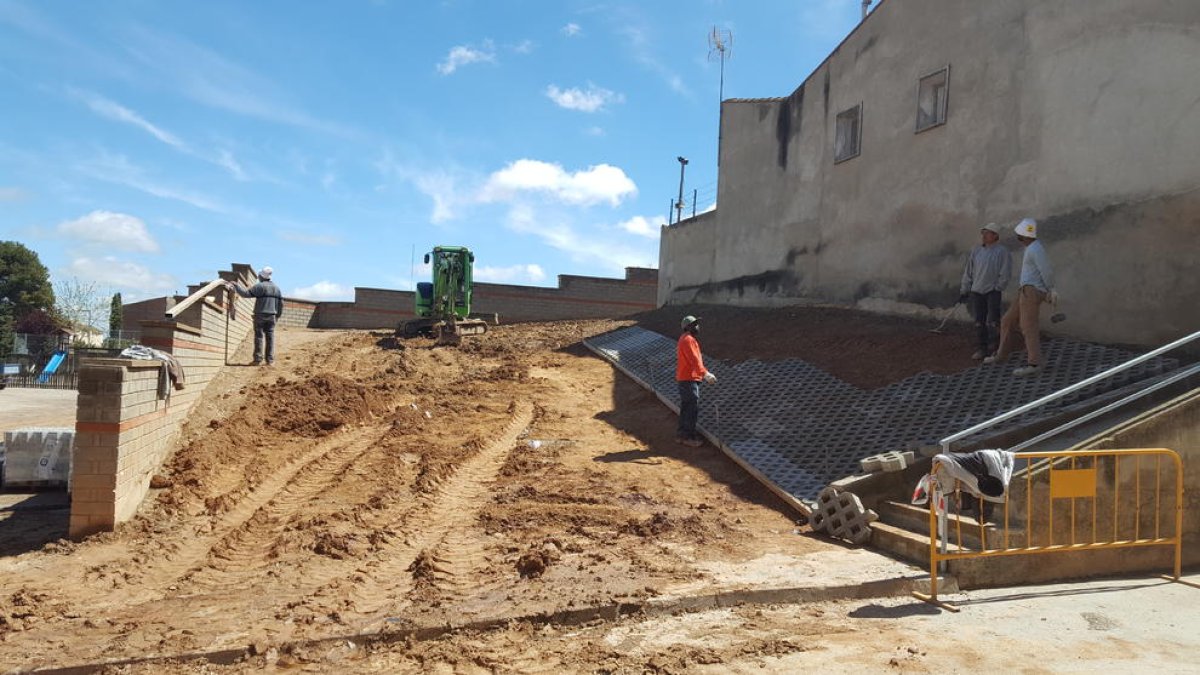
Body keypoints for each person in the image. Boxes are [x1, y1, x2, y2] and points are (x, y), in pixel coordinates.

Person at [985, 218, 1057, 376]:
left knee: (1028, 326)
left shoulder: (1035, 249)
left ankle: (1035, 363)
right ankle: (1001, 355)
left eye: (1020, 237)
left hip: (1030, 292)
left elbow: (1046, 270)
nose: (1019, 240)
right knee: (1007, 321)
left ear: (1025, 236)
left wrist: (1051, 288)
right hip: (1024, 290)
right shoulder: (1032, 248)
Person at [958, 222, 1012, 360]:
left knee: (993, 320)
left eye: (987, 233)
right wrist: (965, 288)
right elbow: (969, 271)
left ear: (995, 236)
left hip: (992, 291)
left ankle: (996, 348)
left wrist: (999, 287)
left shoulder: (1002, 252)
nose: (984, 236)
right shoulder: (976, 251)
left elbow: (1005, 272)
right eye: (983, 233)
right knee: (979, 321)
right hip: (977, 291)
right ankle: (982, 348)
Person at [226, 266, 284, 366]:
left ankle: (257, 360)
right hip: (272, 316)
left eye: (259, 275)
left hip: (260, 315)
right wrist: (277, 316)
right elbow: (281, 304)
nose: (258, 277)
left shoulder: (260, 286)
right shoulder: (277, 289)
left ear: (261, 276)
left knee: (259, 337)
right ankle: (270, 361)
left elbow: (245, 294)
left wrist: (236, 286)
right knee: (270, 338)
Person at [676, 315, 717, 447]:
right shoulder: (688, 340)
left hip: (686, 378)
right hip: (689, 379)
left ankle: (682, 434)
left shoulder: (685, 339)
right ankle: (688, 437)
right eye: (694, 325)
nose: (697, 327)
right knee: (691, 409)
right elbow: (694, 360)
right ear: (687, 327)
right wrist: (706, 374)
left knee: (686, 407)